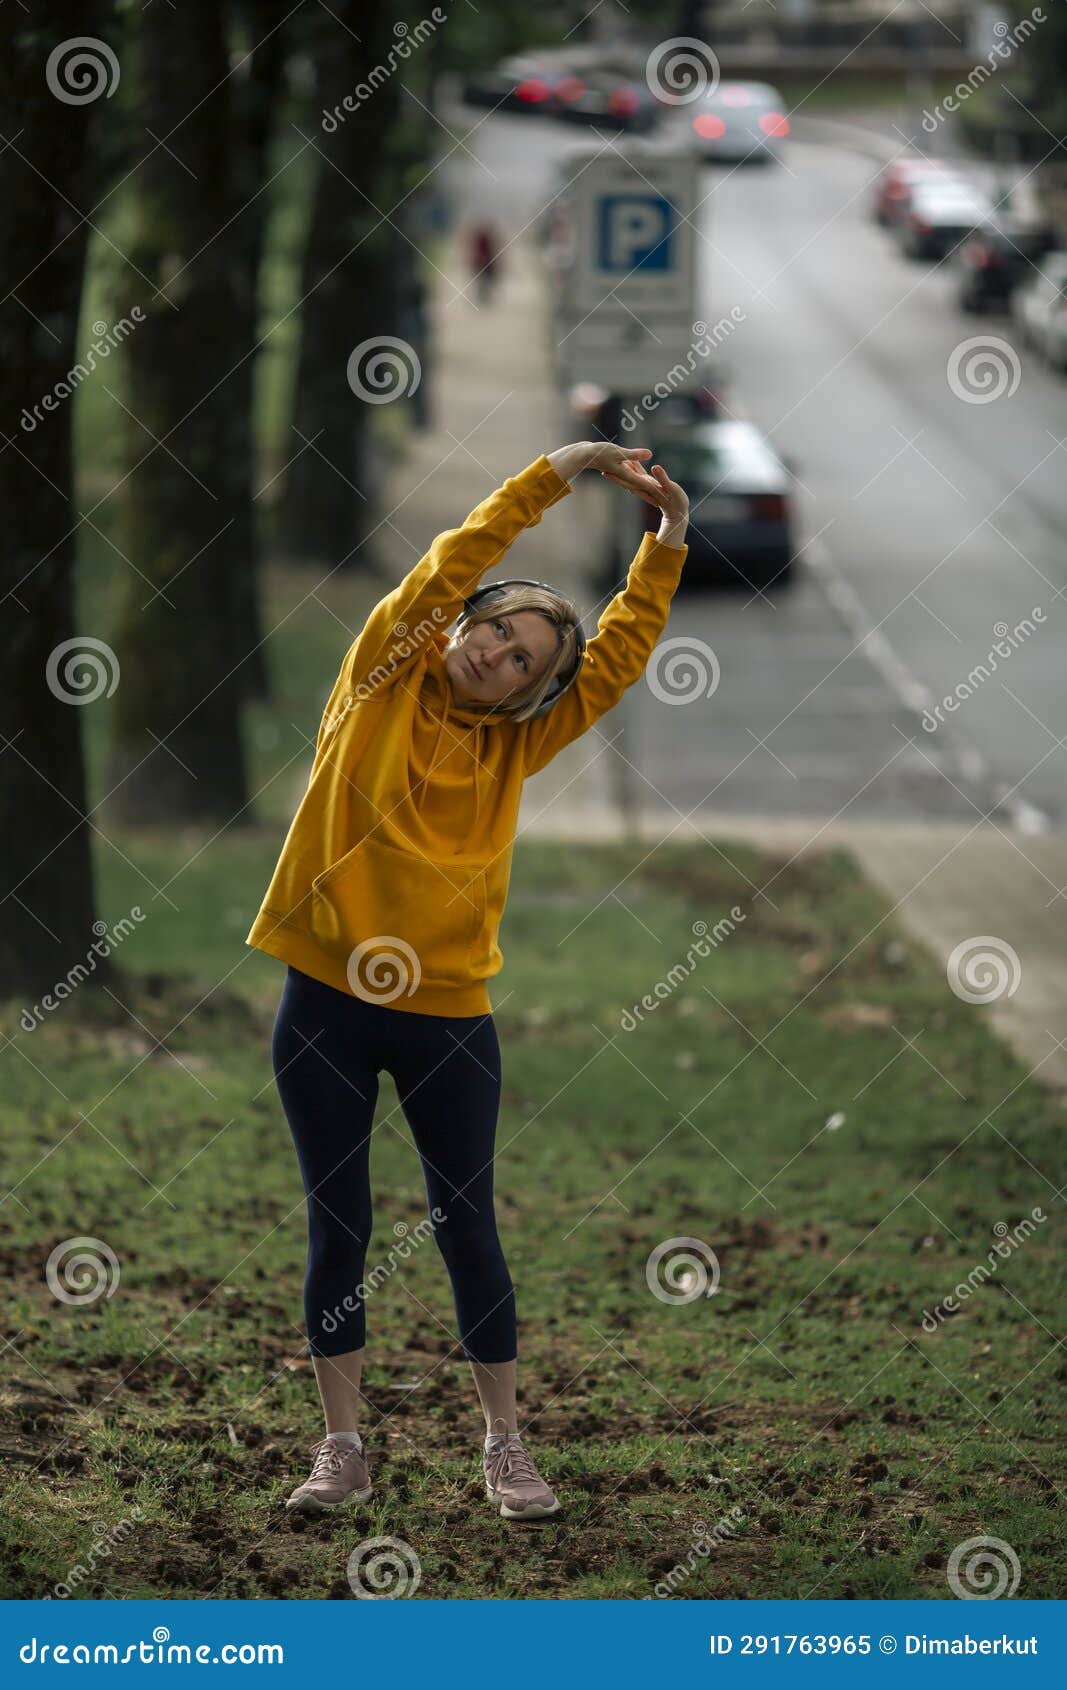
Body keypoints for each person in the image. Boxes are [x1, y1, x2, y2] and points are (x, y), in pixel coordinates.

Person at [246, 441, 689, 1521]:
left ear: (535, 690)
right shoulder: (378, 676)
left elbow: (617, 655)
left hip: (447, 1016)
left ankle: (504, 1443)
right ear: (460, 623)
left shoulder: (511, 752)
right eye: (494, 627)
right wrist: (553, 474)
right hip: (326, 1007)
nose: (497, 651)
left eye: (524, 655)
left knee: (465, 1221)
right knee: (337, 1224)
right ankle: (340, 1447)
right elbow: (452, 561)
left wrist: (666, 539)